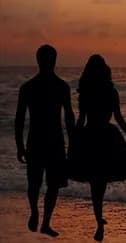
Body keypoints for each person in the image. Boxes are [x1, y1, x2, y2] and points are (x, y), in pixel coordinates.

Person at [69, 54, 126, 242]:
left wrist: (74, 137)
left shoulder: (86, 91)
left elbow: (81, 119)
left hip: (89, 135)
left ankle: (98, 219)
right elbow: (118, 117)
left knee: (94, 181)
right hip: (108, 136)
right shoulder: (110, 90)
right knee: (102, 180)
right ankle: (99, 219)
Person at [14, 43, 75, 238]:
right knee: (49, 185)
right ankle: (42, 218)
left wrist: (20, 145)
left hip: (37, 141)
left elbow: (19, 120)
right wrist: (73, 143)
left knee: (38, 184)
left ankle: (40, 216)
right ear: (54, 61)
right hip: (54, 142)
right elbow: (69, 119)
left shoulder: (28, 87)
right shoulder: (61, 87)